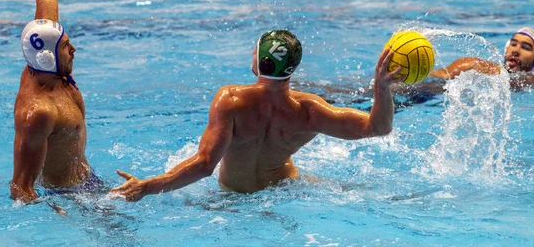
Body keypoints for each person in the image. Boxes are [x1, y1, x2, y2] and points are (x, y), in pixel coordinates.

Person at [111, 30, 402, 201]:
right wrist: (381, 87)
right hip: (287, 193)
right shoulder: (309, 112)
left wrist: (147, 186)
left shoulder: (230, 101)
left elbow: (204, 164)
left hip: (232, 199)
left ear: (258, 64)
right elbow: (376, 127)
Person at [11, 0, 98, 203]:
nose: (73, 49)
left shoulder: (48, 60)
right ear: (47, 57)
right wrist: (55, 216)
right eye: (66, 47)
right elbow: (21, 187)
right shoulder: (38, 114)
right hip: (66, 197)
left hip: (88, 181)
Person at [430, 27, 534, 89]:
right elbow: (437, 78)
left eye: (526, 48)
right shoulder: (475, 66)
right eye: (513, 44)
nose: (515, 51)